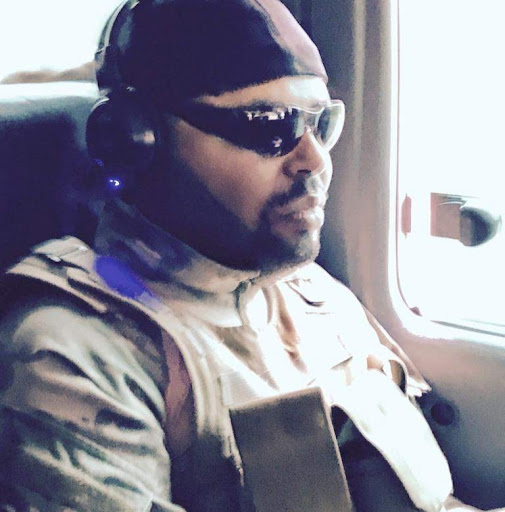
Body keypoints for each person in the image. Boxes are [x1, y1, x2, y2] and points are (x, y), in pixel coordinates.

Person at [0, 0, 493, 511]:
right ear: (137, 142)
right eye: (270, 125)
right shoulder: (76, 354)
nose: (316, 160)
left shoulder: (313, 295)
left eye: (321, 124)